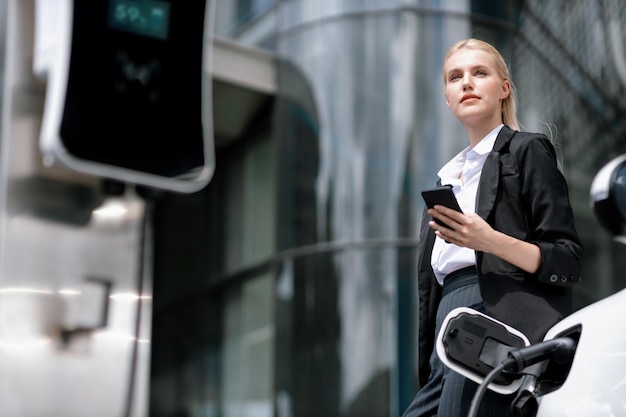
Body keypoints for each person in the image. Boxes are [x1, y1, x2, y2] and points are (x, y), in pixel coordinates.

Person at [401, 38, 583, 417]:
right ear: (448, 99)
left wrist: (489, 241)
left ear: (503, 89)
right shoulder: (445, 179)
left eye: (479, 73)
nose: (466, 82)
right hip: (447, 331)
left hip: (496, 324)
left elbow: (567, 259)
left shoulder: (527, 151)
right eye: (455, 77)